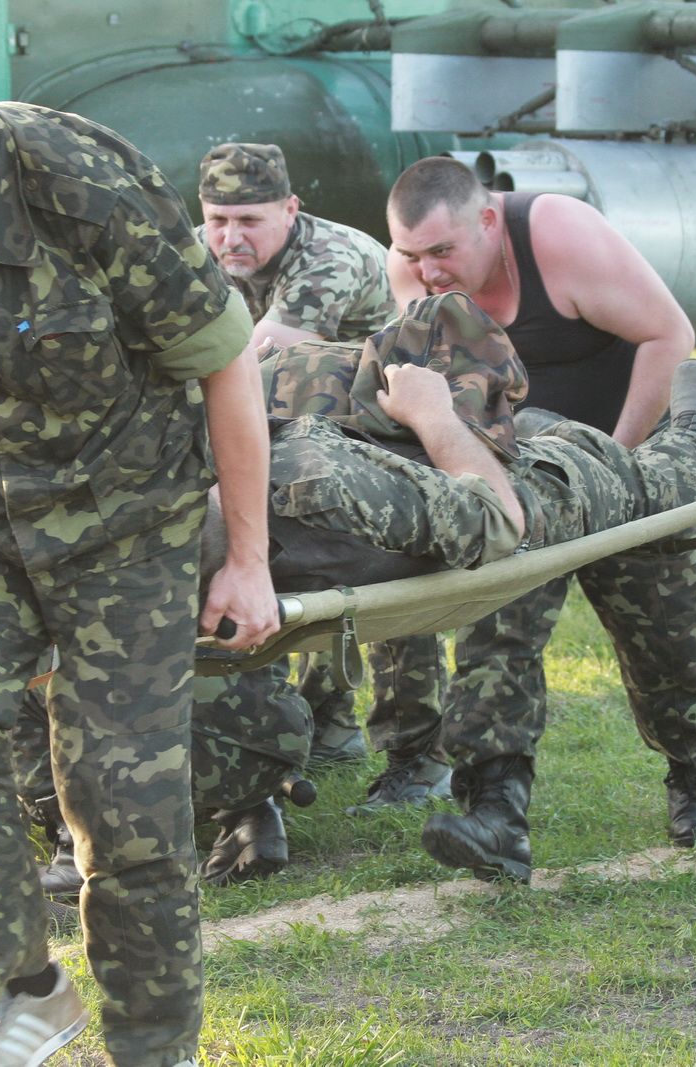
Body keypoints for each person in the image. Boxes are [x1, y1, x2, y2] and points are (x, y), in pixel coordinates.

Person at [0, 51, 275, 1067]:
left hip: (128, 522)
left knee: (126, 805)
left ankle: (153, 1049)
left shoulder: (87, 193)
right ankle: (28, 989)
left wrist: (246, 559)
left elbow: (224, 359)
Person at [384, 156, 696, 884]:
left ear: (488, 218)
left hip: (628, 466)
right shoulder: (415, 276)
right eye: (411, 254)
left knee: (672, 646)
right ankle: (496, 807)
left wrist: (614, 470)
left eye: (442, 251)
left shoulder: (557, 236)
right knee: (496, 620)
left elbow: (670, 335)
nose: (427, 272)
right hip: (524, 486)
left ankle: (691, 771)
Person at [196, 140, 449, 808]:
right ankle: (324, 725)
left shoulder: (329, 258)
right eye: (217, 219)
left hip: (382, 429)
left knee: (396, 582)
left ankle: (419, 754)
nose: (229, 236)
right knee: (265, 566)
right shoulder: (196, 253)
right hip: (283, 433)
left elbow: (251, 364)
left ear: (291, 208)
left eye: (249, 220)